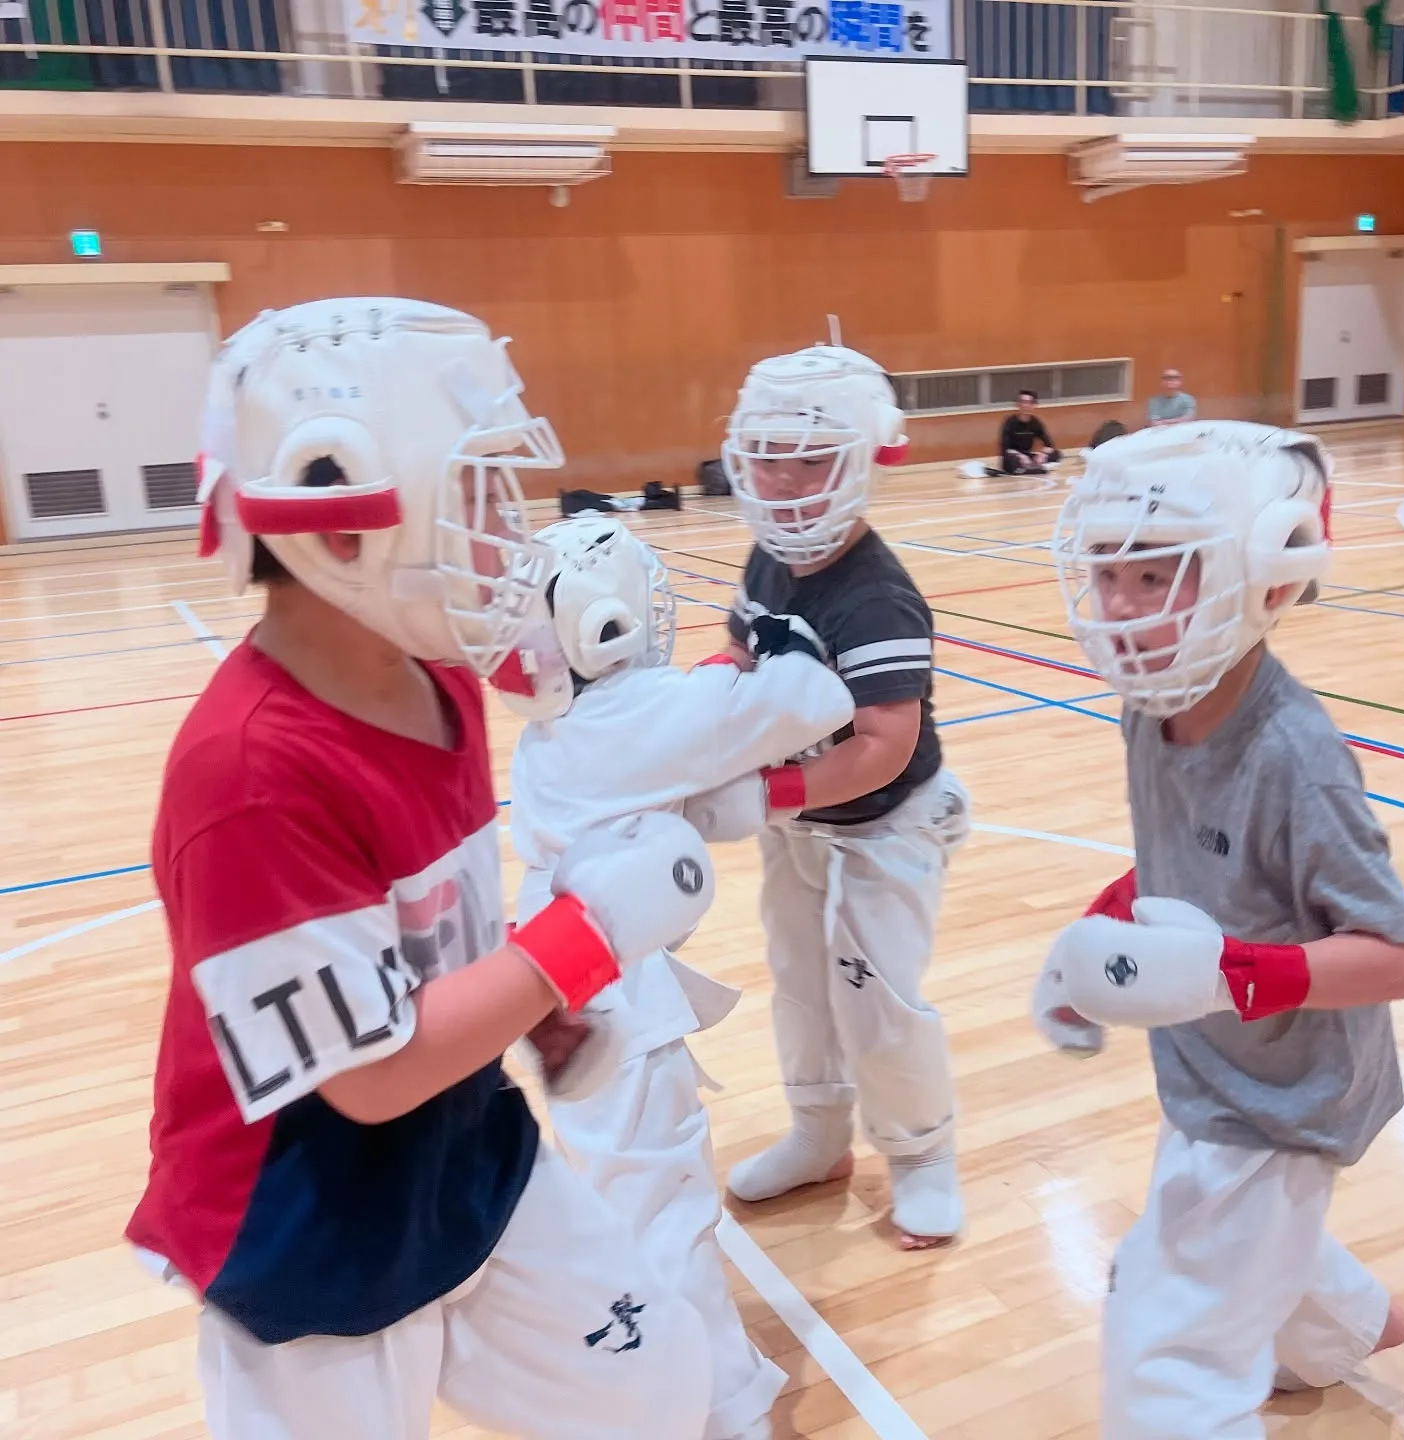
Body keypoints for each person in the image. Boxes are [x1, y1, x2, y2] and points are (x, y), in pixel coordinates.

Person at [123, 298, 719, 1440]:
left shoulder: (435, 678)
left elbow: (425, 943)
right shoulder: (247, 773)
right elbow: (367, 1076)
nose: (511, 532)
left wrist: (523, 1011)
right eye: (480, 493)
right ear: (342, 532)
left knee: (654, 1386)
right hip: (307, 1228)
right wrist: (579, 940)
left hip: (465, 1148)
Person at [1035, 420, 1404, 1437]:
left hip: (1285, 1094)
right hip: (1215, 1064)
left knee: (1166, 1346)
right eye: (1106, 574)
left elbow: (1398, 959)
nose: (1121, 609)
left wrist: (1226, 976)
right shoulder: (1148, 703)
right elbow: (1187, 858)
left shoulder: (1295, 755)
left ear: (1259, 576)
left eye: (1156, 575)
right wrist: (1094, 937)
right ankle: (1344, 1326)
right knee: (1231, 1241)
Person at [498, 515, 857, 1440]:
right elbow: (814, 701)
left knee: (640, 1201)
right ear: (598, 623)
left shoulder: (562, 728)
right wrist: (779, 639)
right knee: (664, 1216)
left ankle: (712, 1387)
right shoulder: (638, 713)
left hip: (571, 981)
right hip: (609, 990)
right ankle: (709, 1412)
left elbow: (691, 769)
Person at [684, 343, 972, 1251]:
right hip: (801, 819)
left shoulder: (876, 598)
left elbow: (882, 749)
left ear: (861, 461)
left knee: (874, 993)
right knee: (802, 983)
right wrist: (689, 704)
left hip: (886, 823)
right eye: (767, 454)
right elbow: (741, 651)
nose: (784, 478)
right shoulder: (769, 559)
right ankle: (819, 1133)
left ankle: (922, 1154)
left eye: (811, 457)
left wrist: (765, 790)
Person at [999, 389, 1062, 474]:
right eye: (1024, 402)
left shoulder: (1035, 422)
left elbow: (1049, 445)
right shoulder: (1009, 422)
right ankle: (1033, 468)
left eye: (1030, 402)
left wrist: (1042, 455)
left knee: (1057, 453)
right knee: (1010, 460)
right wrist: (1020, 456)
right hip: (1014, 456)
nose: (1026, 405)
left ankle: (1030, 468)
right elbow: (1006, 449)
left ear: (1033, 405)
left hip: (1028, 457)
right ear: (1018, 404)